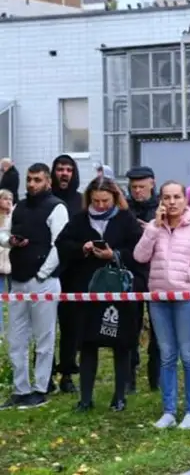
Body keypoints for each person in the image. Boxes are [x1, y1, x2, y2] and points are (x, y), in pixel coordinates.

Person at [133, 181, 190, 429]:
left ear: (185, 199)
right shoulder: (155, 227)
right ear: (161, 200)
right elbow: (139, 257)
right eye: (167, 198)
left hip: (187, 299)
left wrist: (189, 274)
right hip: (159, 299)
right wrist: (152, 228)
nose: (172, 202)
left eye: (176, 197)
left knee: (189, 355)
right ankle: (169, 411)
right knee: (167, 356)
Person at [55, 177, 145, 412]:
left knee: (121, 343)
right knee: (87, 343)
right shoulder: (79, 219)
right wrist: (81, 249)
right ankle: (85, 398)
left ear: (114, 198)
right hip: (86, 290)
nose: (101, 205)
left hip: (119, 289)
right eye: (96, 201)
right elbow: (62, 244)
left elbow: (138, 250)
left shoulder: (126, 220)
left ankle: (120, 396)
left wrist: (114, 255)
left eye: (105, 200)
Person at [0, 163, 68, 410]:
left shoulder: (57, 207)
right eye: (29, 179)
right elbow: (3, 233)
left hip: (44, 282)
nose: (31, 184)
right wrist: (11, 241)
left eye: (37, 180)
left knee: (44, 337)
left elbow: (59, 245)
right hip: (17, 280)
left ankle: (40, 389)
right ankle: (20, 389)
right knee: (16, 339)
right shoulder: (19, 207)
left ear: (47, 181)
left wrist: (42, 274)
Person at [49, 154, 84, 394]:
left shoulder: (80, 202)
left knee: (71, 326)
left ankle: (68, 374)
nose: (64, 173)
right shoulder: (45, 200)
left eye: (68, 170)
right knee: (46, 326)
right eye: (60, 169)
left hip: (73, 271)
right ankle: (46, 372)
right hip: (48, 272)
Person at [125, 166, 162, 393]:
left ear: (152, 184)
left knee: (158, 330)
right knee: (131, 327)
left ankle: (155, 376)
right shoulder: (125, 209)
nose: (137, 191)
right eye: (134, 187)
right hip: (133, 273)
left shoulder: (162, 207)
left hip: (158, 272)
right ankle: (129, 375)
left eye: (141, 186)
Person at [0, 189, 13, 340]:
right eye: (5, 199)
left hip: (12, 263)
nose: (8, 201)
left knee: (15, 298)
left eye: (10, 199)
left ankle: (14, 331)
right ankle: (1, 331)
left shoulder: (14, 217)